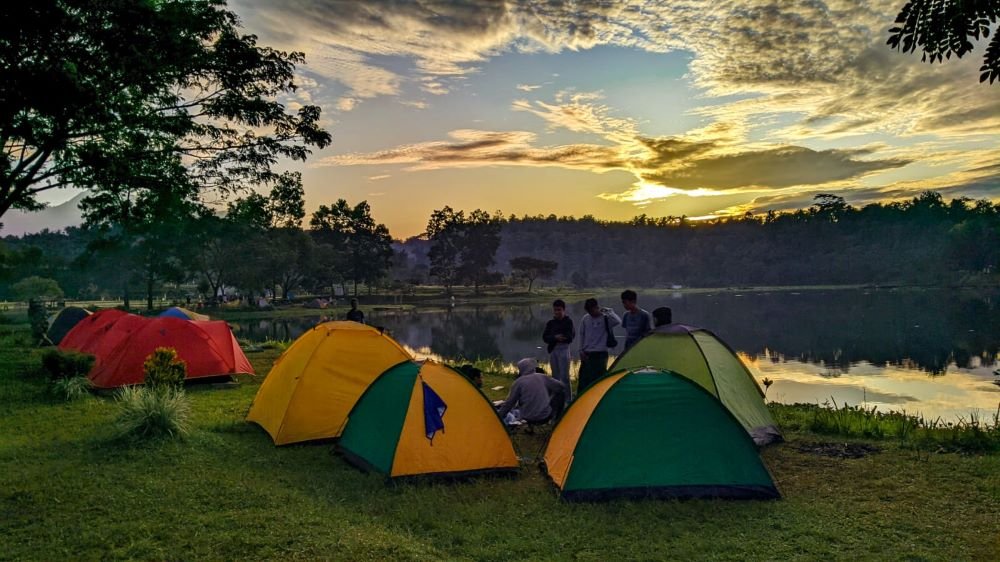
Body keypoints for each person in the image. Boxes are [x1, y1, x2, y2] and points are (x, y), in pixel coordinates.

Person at [497, 358, 567, 425]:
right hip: (545, 417)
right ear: (533, 368)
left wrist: (499, 417)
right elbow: (561, 386)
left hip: (527, 417)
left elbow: (509, 403)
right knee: (561, 393)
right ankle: (558, 419)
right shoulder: (542, 377)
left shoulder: (518, 382)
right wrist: (550, 393)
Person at [577, 298, 620, 393]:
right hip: (587, 354)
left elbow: (617, 321)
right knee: (584, 380)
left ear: (597, 307)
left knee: (599, 379)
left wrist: (608, 311)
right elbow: (581, 334)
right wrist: (580, 350)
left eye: (592, 310)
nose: (591, 313)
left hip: (600, 354)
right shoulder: (585, 318)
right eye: (589, 311)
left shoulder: (606, 318)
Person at [542, 299, 575, 402]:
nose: (557, 312)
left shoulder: (568, 322)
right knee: (555, 376)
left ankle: (568, 400)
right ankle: (556, 399)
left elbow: (570, 337)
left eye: (559, 310)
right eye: (555, 310)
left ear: (564, 310)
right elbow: (545, 337)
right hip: (554, 350)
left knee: (564, 376)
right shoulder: (551, 323)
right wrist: (555, 337)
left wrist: (561, 337)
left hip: (564, 349)